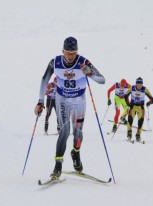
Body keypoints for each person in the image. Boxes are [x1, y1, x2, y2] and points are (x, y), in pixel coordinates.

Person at [34, 36, 105, 179]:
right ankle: (57, 166)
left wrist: (90, 73)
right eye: (68, 52)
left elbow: (102, 80)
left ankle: (76, 153)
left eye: (74, 53)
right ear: (63, 51)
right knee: (65, 131)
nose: (71, 56)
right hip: (62, 100)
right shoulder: (55, 62)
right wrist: (41, 101)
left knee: (78, 132)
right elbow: (44, 79)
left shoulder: (84, 62)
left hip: (79, 100)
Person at [124, 77, 153, 141]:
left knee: (140, 122)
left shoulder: (145, 89)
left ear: (142, 84)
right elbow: (126, 96)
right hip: (133, 107)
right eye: (138, 84)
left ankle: (138, 135)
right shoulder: (132, 88)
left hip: (141, 108)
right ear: (136, 84)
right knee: (130, 120)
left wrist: (149, 102)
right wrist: (128, 103)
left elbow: (152, 99)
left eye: (141, 84)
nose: (139, 85)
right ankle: (129, 133)